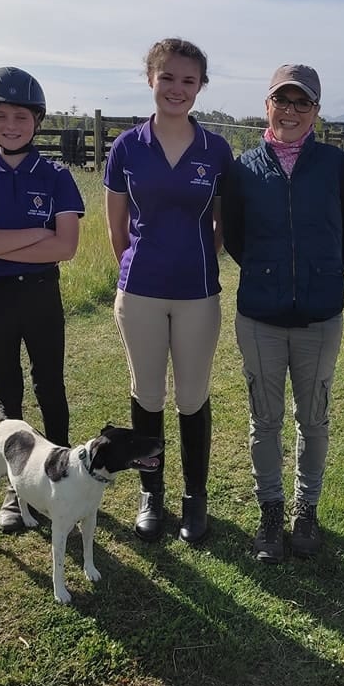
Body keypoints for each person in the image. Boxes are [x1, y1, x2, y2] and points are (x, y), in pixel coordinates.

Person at [222, 64, 344, 562]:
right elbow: (235, 237)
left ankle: (307, 509)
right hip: (260, 316)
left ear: (316, 112)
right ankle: (271, 510)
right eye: (282, 100)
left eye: (302, 102)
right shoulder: (243, 168)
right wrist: (268, 274)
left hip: (319, 317)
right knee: (265, 419)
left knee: (314, 417)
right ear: (267, 106)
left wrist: (319, 276)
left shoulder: (335, 166)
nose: (291, 111)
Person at [104, 38, 233, 545]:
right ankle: (151, 494)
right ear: (150, 80)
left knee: (193, 395)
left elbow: (221, 226)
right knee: (148, 394)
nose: (177, 89)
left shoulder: (216, 150)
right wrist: (142, 269)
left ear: (201, 86)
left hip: (197, 294)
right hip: (140, 293)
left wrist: (194, 262)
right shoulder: (126, 146)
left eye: (188, 80)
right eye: (168, 78)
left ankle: (195, 497)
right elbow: (117, 228)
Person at [0, 66, 85, 532]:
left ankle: (61, 476)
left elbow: (65, 247)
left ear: (37, 121)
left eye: (21, 116)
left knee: (50, 386)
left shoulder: (56, 176)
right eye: (1, 115)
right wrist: (35, 234)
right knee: (8, 393)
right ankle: (17, 488)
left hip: (40, 294)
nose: (11, 125)